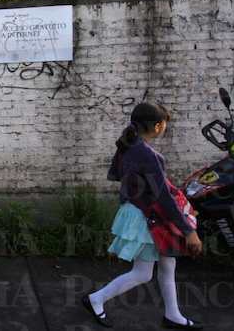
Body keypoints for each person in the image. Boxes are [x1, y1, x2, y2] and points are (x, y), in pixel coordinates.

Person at [82, 103, 203, 330]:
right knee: (143, 273)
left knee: (168, 264)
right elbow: (164, 197)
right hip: (146, 217)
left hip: (139, 211)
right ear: (157, 126)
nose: (165, 128)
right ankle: (95, 299)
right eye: (165, 124)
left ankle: (173, 315)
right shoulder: (148, 154)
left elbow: (116, 174)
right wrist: (189, 230)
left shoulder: (128, 144)